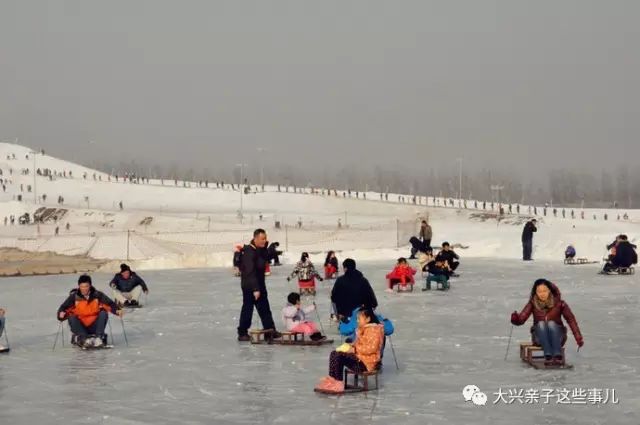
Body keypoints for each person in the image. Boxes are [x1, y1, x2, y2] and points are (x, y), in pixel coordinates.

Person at [510, 279, 583, 366]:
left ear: (549, 290)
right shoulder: (532, 303)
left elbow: (571, 320)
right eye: (539, 291)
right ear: (535, 292)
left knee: (551, 324)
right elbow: (521, 319)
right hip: (539, 338)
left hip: (558, 336)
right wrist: (515, 319)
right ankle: (548, 355)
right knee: (541, 324)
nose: (542, 294)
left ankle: (557, 354)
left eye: (544, 290)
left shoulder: (560, 304)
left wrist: (578, 338)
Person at [314, 308, 384, 394]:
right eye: (357, 319)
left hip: (366, 364)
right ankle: (333, 380)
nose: (357, 321)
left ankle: (338, 383)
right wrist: (350, 346)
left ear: (368, 319)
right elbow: (358, 344)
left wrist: (354, 349)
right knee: (334, 353)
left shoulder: (374, 331)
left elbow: (371, 348)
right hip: (359, 358)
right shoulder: (363, 329)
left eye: (359, 319)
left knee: (340, 356)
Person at [237, 229, 280, 341]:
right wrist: (255, 289)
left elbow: (264, 259)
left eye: (265, 238)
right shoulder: (249, 252)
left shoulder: (260, 250)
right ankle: (242, 333)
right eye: (262, 239)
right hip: (250, 286)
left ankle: (270, 330)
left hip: (260, 284)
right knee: (248, 309)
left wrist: (271, 250)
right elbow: (249, 272)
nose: (264, 241)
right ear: (255, 238)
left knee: (265, 308)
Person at [57, 275, 123, 348]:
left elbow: (110, 304)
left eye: (86, 286)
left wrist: (117, 310)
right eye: (82, 286)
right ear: (79, 286)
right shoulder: (74, 297)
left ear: (90, 286)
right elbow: (63, 308)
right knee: (72, 317)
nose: (84, 289)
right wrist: (61, 314)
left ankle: (99, 338)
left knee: (103, 313)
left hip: (94, 325)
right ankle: (83, 339)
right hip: (80, 326)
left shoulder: (97, 295)